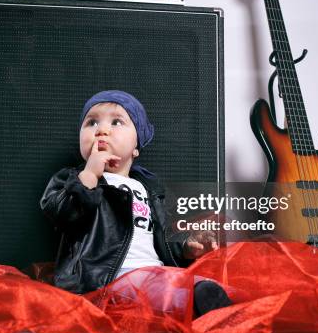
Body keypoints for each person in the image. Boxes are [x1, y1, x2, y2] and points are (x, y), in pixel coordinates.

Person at [40, 90, 231, 318]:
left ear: (136, 147)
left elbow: (162, 235)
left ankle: (205, 299)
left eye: (117, 122)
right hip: (107, 277)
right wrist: (90, 174)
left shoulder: (147, 189)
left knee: (207, 286)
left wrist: (187, 246)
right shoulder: (72, 179)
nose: (102, 130)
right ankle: (191, 304)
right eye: (91, 122)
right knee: (170, 291)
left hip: (156, 271)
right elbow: (63, 215)